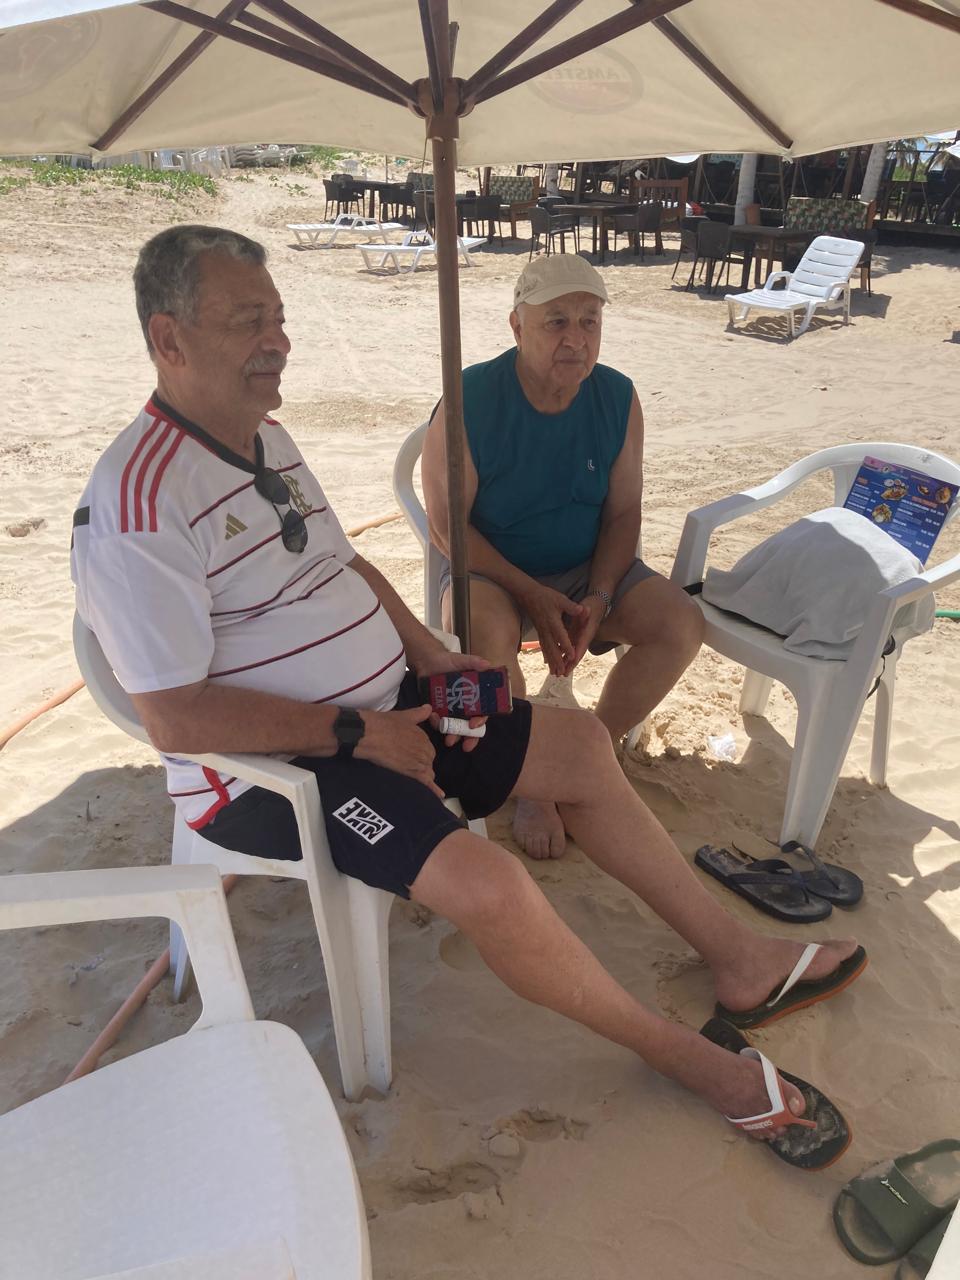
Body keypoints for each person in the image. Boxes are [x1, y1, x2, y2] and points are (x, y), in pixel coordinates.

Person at [71, 225, 865, 1155]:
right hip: (279, 770)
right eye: (250, 321)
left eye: (279, 318)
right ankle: (684, 1057)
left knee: (580, 747)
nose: (278, 341)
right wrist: (355, 733)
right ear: (168, 339)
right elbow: (175, 718)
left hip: (391, 702)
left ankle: (739, 961)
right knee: (492, 884)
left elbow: (346, 564)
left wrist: (431, 656)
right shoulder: (138, 504)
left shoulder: (266, 439)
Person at [422, 253, 704, 859]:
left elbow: (623, 514)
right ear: (517, 326)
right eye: (556, 321)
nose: (576, 338)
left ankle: (587, 754)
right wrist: (529, 591)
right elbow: (449, 530)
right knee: (484, 635)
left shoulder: (618, 397)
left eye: (589, 321)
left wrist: (599, 598)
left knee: (679, 623)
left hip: (584, 567)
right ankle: (534, 779)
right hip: (493, 569)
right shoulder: (468, 398)